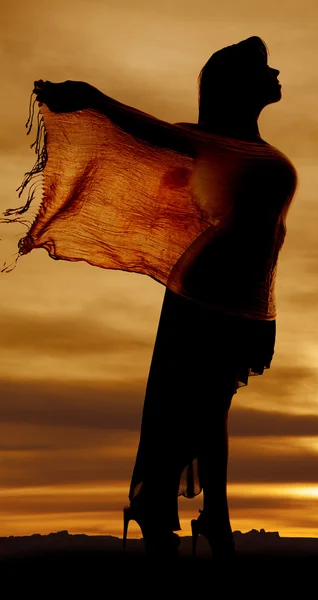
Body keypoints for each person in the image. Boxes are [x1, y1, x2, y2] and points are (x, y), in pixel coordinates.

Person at [32, 36, 297, 559]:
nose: (277, 72)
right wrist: (92, 97)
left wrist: (266, 313)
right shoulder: (206, 143)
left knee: (211, 405)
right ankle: (170, 507)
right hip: (206, 290)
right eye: (264, 67)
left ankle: (208, 514)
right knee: (193, 407)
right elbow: (143, 130)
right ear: (239, 85)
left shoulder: (251, 149)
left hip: (242, 295)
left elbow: (271, 242)